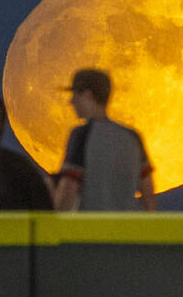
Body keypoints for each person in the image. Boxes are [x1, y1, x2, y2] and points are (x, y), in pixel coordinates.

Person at [53, 68, 157, 212]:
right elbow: (148, 194)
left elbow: (68, 189)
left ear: (88, 95)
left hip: (91, 230)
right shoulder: (132, 137)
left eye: (75, 95)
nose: (71, 101)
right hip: (128, 230)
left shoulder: (81, 135)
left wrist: (53, 226)